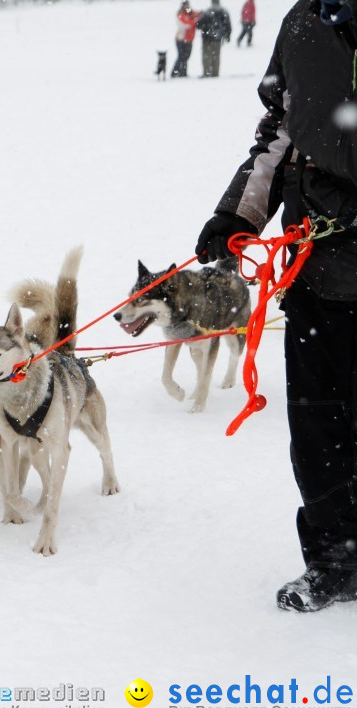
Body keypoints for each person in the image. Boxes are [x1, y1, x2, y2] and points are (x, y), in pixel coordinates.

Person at [194, 0, 357, 612]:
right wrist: (239, 213)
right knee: (319, 430)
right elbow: (279, 132)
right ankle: (338, 561)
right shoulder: (304, 20)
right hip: (315, 271)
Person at [197, 0, 232, 77]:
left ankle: (206, 73)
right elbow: (228, 25)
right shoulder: (224, 11)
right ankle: (215, 73)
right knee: (216, 56)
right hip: (217, 38)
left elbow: (199, 24)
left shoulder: (207, 11)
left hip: (207, 38)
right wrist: (228, 35)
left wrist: (203, 26)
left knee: (206, 56)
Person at [172, 0, 201, 77]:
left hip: (189, 39)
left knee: (186, 57)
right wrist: (194, 20)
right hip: (181, 39)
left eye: (188, 5)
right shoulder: (181, 14)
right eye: (186, 5)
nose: (187, 7)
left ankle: (183, 72)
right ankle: (175, 72)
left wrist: (199, 14)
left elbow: (197, 14)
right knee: (181, 57)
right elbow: (187, 25)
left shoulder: (189, 13)